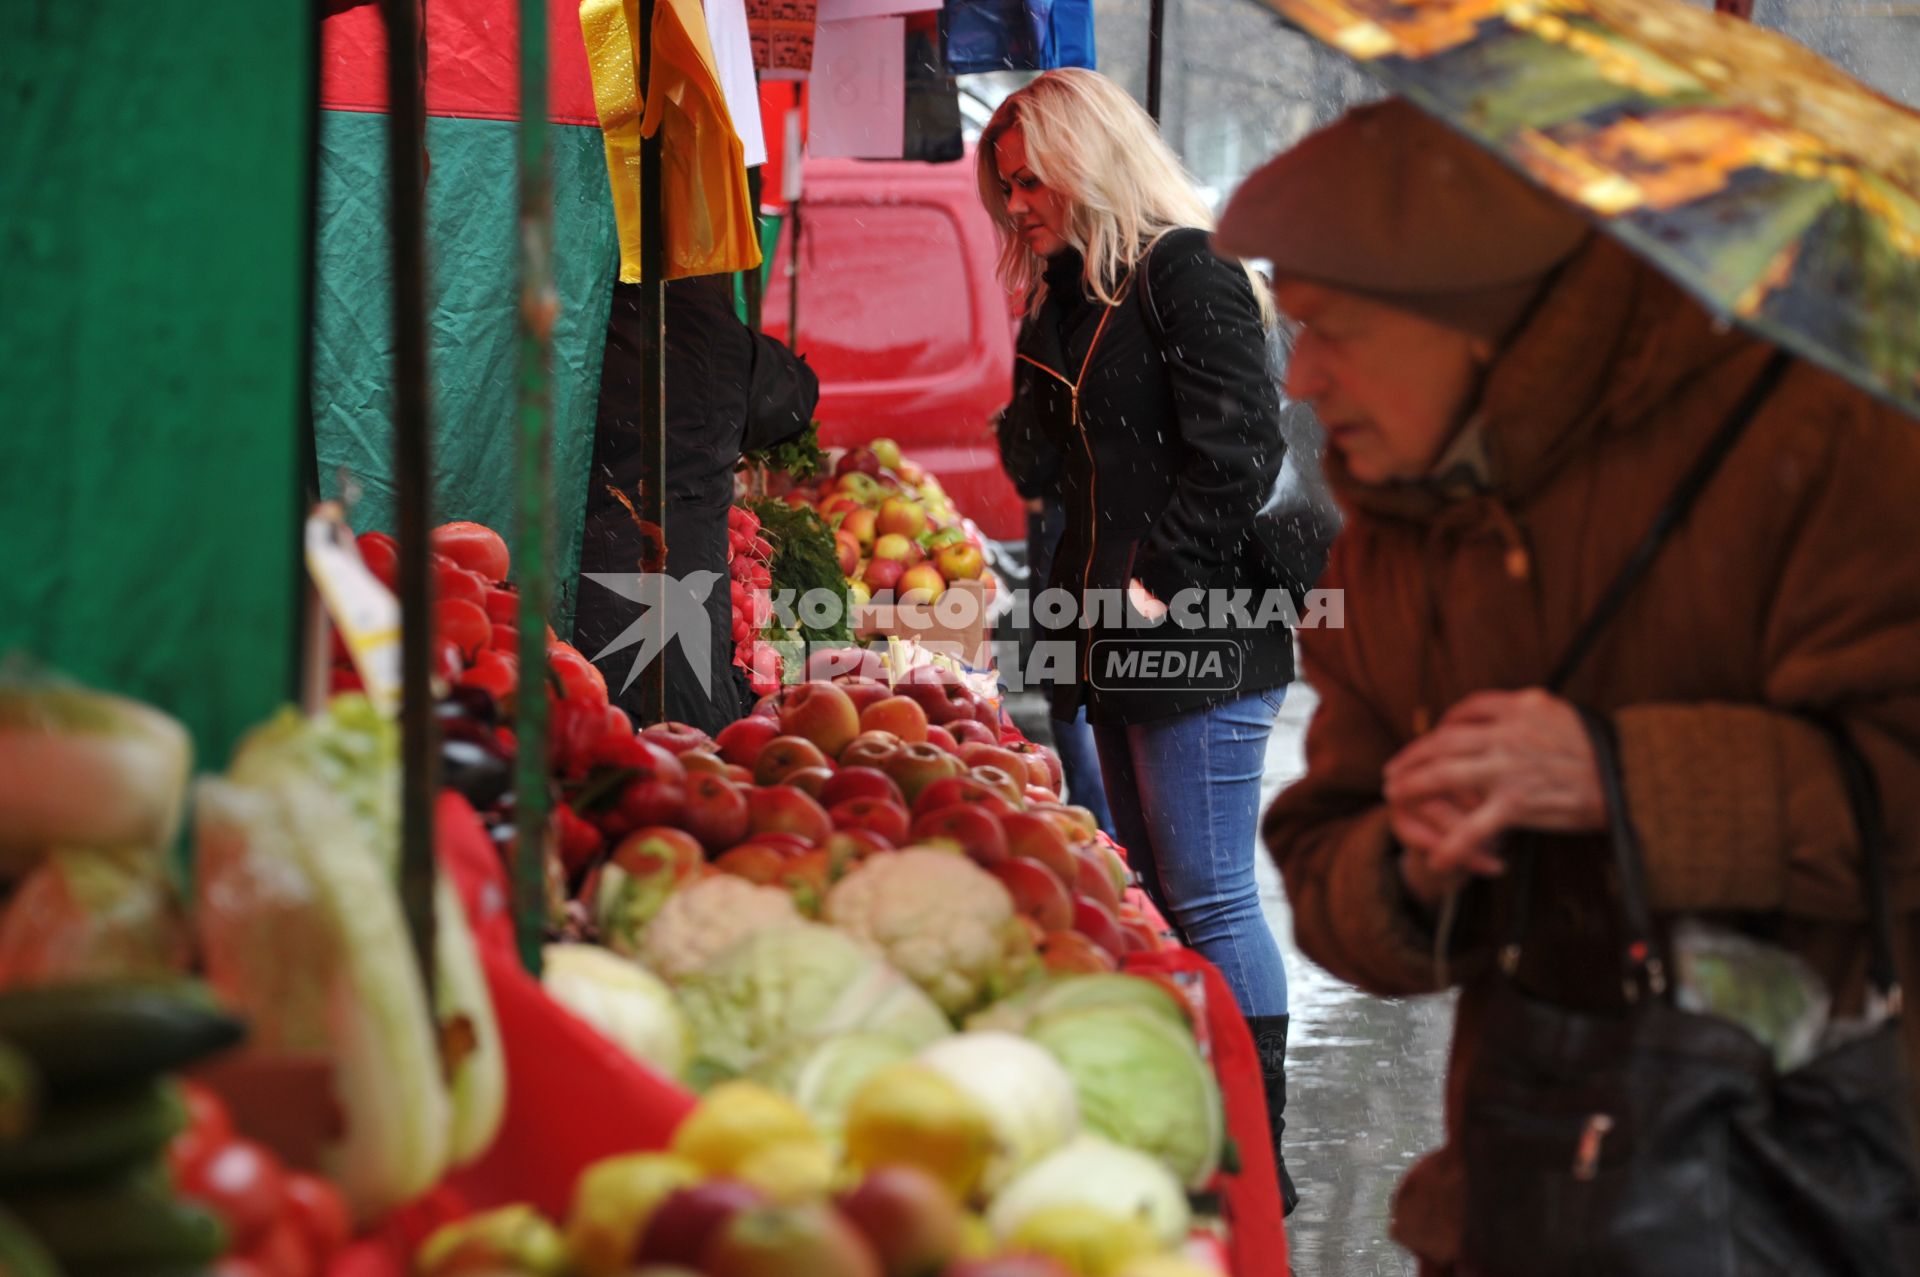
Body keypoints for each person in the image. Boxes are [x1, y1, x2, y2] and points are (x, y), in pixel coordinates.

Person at [1229, 101, 1920, 1273]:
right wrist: (1406, 866)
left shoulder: (1819, 440)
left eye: (1334, 327)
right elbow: (1329, 844)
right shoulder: (1392, 527)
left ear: (1479, 320)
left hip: (1819, 1180)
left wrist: (1623, 778)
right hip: (1534, 1181)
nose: (1302, 377)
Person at [978, 67, 1302, 1208]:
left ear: (1091, 156)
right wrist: (1034, 329)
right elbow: (1033, 469)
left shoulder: (1187, 270)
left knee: (1208, 893)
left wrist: (1161, 581)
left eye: (1032, 181)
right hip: (1102, 639)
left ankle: (1259, 1151)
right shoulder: (1073, 291)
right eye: (1004, 187)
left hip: (1201, 632)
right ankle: (1204, 1121)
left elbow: (1244, 448)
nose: (1016, 204)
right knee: (1153, 888)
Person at [574, 274, 818, 735]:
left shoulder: (571, 317)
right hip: (682, 571)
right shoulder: (706, 324)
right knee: (685, 742)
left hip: (579, 584)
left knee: (596, 742)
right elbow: (792, 397)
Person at [995, 382, 1113, 837]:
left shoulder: (1069, 319)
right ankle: (1102, 821)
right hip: (1099, 501)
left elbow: (1041, 428)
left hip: (1072, 505)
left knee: (1071, 671)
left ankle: (1100, 822)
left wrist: (1015, 431)